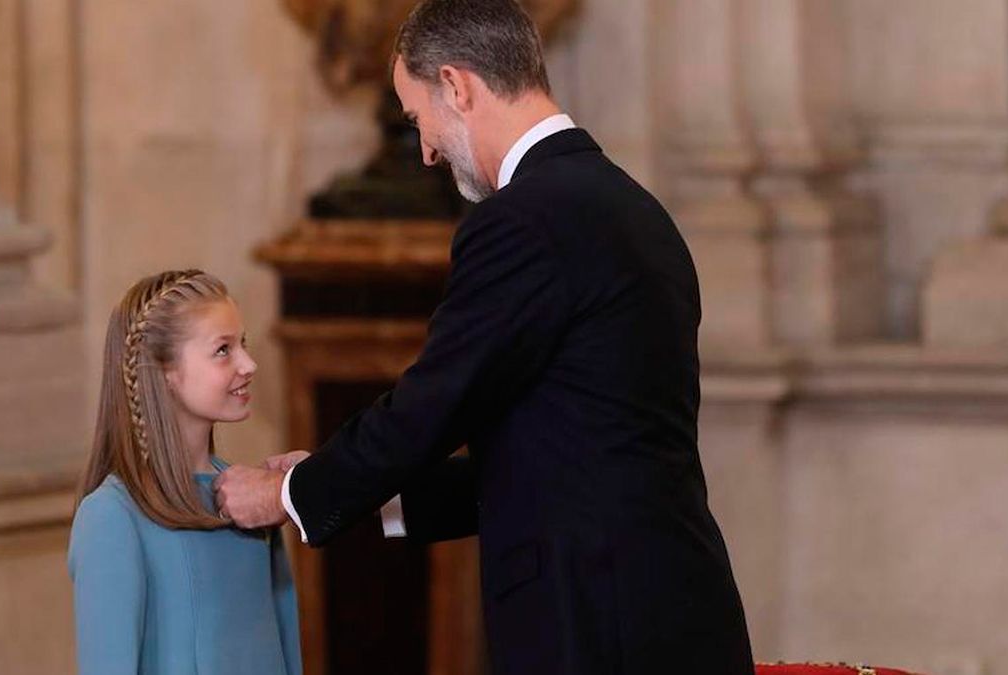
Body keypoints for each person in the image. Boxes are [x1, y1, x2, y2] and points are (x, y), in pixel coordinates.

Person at [215, 0, 754, 672]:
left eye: (419, 118)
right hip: (672, 609)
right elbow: (561, 454)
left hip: (593, 625)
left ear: (458, 86)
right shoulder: (634, 210)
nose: (426, 150)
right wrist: (356, 489)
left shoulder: (521, 221)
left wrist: (287, 495)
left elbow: (430, 406)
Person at [68, 270, 301, 675]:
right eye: (223, 350)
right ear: (164, 372)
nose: (249, 363)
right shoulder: (112, 516)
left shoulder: (251, 502)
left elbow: (286, 655)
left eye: (242, 343)